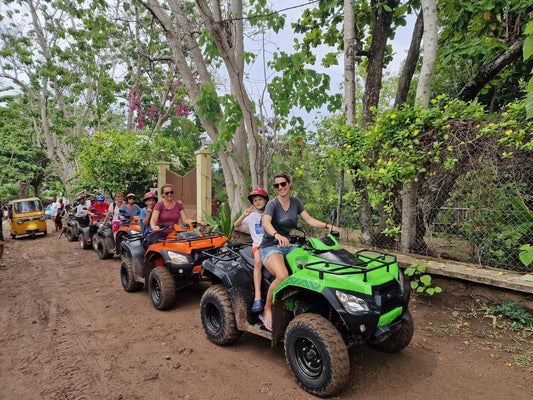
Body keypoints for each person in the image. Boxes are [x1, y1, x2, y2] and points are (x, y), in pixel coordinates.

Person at [258, 172, 341, 332]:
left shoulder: (295, 202)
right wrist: (276, 235)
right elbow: (266, 222)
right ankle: (267, 308)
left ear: (289, 184)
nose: (280, 187)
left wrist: (328, 226)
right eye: (276, 185)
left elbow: (309, 220)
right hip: (271, 245)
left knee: (311, 266)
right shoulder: (272, 204)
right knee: (283, 275)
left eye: (283, 184)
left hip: (289, 244)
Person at [234, 188, 269, 313]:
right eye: (255, 200)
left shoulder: (270, 214)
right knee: (258, 262)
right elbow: (236, 225)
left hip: (271, 244)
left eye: (260, 199)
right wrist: (244, 215)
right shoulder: (251, 216)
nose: (258, 202)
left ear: (265, 201)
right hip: (259, 245)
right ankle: (257, 296)